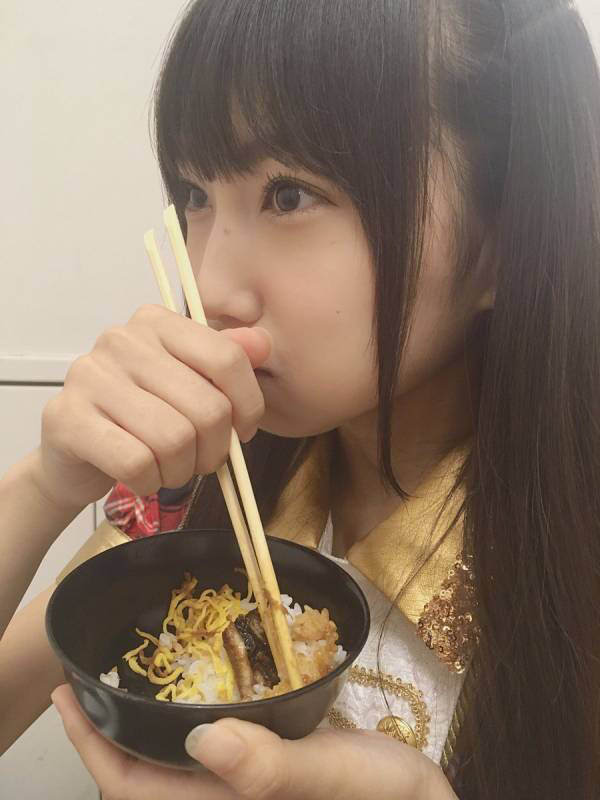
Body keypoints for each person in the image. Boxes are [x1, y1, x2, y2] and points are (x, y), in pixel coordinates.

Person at [2, 0, 600, 797]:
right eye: (195, 192)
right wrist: (44, 483)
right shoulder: (194, 482)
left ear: (500, 239)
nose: (209, 286)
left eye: (288, 196)